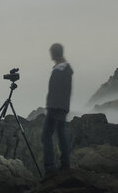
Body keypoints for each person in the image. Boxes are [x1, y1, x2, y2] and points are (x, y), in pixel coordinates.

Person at [42, 43, 73, 176]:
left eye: (51, 52)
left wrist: (52, 106)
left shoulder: (60, 70)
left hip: (56, 107)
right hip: (60, 106)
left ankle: (50, 167)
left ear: (55, 53)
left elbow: (58, 90)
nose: (50, 54)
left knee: (47, 135)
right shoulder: (63, 68)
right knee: (60, 133)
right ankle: (64, 164)